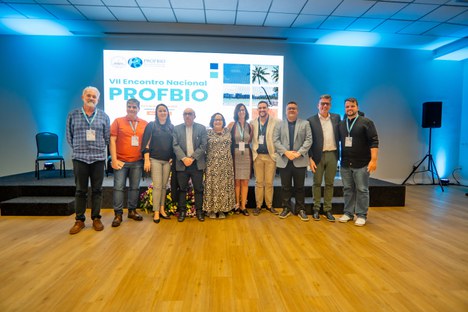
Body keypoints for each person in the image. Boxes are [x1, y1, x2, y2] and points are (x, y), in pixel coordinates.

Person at [66, 86, 110, 234]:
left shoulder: (104, 116)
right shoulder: (73, 115)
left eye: (94, 97)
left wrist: (97, 149)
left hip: (98, 158)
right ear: (83, 97)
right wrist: (79, 149)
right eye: (89, 96)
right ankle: (79, 220)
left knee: (97, 190)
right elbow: (69, 136)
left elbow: (107, 137)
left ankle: (96, 218)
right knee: (80, 190)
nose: (91, 98)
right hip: (80, 158)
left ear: (98, 100)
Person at [338, 97, 379, 226]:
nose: (349, 109)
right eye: (347, 107)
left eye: (352, 106)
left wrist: (373, 160)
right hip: (345, 163)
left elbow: (374, 141)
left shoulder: (366, 122)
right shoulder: (341, 124)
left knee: (362, 189)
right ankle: (348, 213)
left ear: (357, 107)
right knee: (348, 189)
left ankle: (361, 215)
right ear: (345, 109)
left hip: (362, 163)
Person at [109, 98, 148, 227]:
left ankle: (132, 211)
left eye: (134, 107)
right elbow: (112, 141)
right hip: (120, 161)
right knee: (119, 188)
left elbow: (148, 143)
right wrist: (113, 159)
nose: (132, 109)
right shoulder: (118, 121)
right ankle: (118, 214)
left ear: (138, 109)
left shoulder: (144, 123)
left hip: (137, 161)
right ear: (126, 108)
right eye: (129, 106)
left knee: (135, 188)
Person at [273, 101, 312, 221]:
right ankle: (286, 208)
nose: (291, 110)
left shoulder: (305, 124)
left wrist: (298, 153)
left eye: (294, 108)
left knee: (300, 187)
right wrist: (286, 152)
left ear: (297, 111)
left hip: (299, 160)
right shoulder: (279, 124)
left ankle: (300, 209)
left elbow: (308, 140)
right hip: (284, 160)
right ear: (286, 111)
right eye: (289, 108)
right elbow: (275, 141)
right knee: (285, 187)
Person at [307, 94, 341, 222]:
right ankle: (316, 209)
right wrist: (310, 158)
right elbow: (308, 141)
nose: (324, 106)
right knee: (316, 183)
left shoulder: (336, 118)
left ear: (330, 105)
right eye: (322, 103)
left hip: (332, 155)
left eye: (327, 104)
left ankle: (327, 209)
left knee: (329, 183)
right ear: (318, 105)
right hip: (317, 156)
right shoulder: (311, 120)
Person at [173, 108, 208, 222]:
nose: (187, 116)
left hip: (196, 163)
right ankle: (182, 211)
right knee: (182, 189)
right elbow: (175, 145)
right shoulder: (176, 128)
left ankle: (199, 211)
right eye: (185, 114)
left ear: (194, 116)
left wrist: (192, 158)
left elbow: (203, 145)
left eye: (190, 114)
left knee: (198, 189)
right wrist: (184, 158)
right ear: (183, 116)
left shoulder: (201, 128)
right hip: (182, 163)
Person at [141, 103, 174, 224]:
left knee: (164, 186)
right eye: (160, 111)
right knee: (157, 186)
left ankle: (162, 209)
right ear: (156, 113)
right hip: (154, 160)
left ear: (168, 112)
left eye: (164, 110)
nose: (162, 113)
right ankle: (156, 212)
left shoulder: (171, 127)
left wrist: (173, 157)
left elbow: (174, 144)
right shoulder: (151, 125)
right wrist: (146, 159)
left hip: (167, 162)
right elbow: (146, 144)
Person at [203, 113, 236, 219]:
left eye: (220, 119)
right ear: (212, 121)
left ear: (223, 121)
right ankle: (212, 210)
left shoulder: (228, 131)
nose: (218, 121)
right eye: (215, 119)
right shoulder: (207, 132)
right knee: (212, 187)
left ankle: (222, 210)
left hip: (226, 165)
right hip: (212, 165)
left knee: (223, 187)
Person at [250, 100, 279, 215]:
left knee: (269, 182)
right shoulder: (252, 123)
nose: (262, 110)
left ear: (268, 109)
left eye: (264, 107)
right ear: (257, 110)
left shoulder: (276, 122)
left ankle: (269, 205)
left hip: (270, 156)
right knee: (258, 182)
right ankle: (258, 206)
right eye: (260, 108)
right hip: (258, 156)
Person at [228, 103, 253, 216]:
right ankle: (236, 205)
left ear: (246, 112)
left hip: (246, 155)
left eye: (243, 110)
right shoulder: (231, 125)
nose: (242, 112)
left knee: (245, 182)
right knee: (237, 181)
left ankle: (243, 206)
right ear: (236, 112)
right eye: (239, 110)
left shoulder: (250, 126)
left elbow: (250, 140)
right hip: (235, 155)